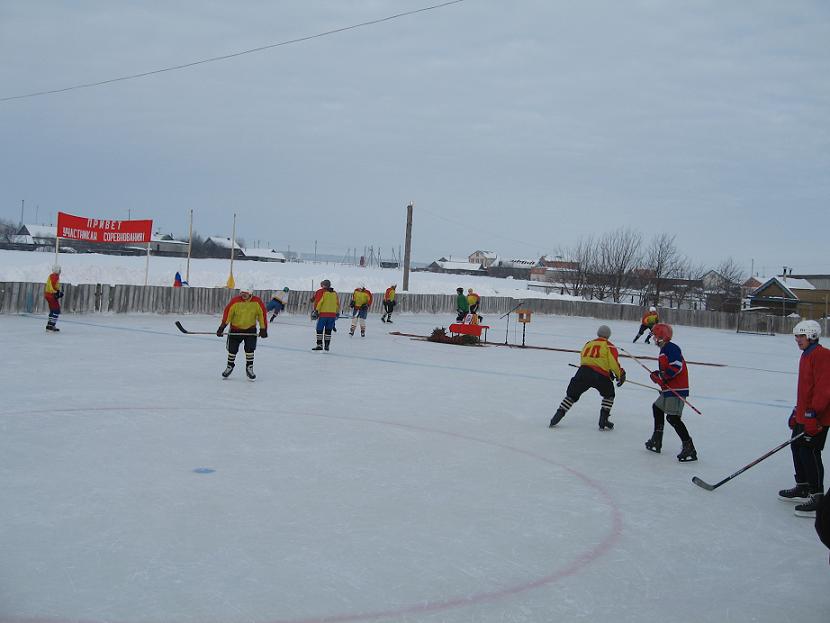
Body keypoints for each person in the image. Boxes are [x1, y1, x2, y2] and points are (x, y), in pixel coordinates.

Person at [778, 319, 830, 517]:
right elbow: (806, 389)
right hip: (805, 414)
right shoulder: (806, 355)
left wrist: (811, 414)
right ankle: (803, 486)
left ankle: (818, 496)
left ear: (812, 336)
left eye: (801, 336)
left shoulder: (822, 355)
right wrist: (797, 410)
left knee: (810, 452)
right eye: (796, 336)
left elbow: (824, 389)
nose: (797, 340)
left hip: (818, 417)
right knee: (796, 448)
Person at [549, 325, 626, 430]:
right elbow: (613, 363)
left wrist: (606, 371)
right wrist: (620, 374)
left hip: (583, 372)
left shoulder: (588, 344)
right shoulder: (609, 346)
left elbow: (585, 358)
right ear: (608, 335)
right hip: (600, 375)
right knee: (609, 395)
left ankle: (557, 416)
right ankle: (603, 420)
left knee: (572, 395)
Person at [645, 323, 697, 461]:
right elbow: (667, 372)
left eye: (655, 336)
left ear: (662, 336)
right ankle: (657, 438)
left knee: (673, 418)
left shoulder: (671, 348)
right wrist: (658, 376)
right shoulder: (663, 350)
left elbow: (676, 366)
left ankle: (689, 447)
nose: (654, 339)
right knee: (657, 408)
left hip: (678, 388)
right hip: (670, 388)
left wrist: (662, 376)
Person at [216, 285, 267, 380]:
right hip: (236, 329)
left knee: (250, 349)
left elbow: (262, 315)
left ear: (250, 293)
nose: (243, 294)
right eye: (242, 292)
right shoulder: (235, 301)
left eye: (246, 293)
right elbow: (228, 315)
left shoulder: (257, 302)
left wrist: (263, 329)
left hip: (250, 329)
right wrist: (222, 327)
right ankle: (230, 366)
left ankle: (249, 367)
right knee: (232, 349)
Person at [312, 279, 340, 351]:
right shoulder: (335, 293)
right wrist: (337, 312)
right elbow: (337, 304)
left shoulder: (322, 292)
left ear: (323, 285)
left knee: (319, 329)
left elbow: (319, 302)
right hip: (332, 315)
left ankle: (319, 345)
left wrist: (316, 311)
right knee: (328, 330)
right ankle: (327, 345)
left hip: (323, 314)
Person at [44, 264, 63, 332]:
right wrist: (56, 293)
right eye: (60, 270)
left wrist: (57, 292)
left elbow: (52, 286)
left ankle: (49, 325)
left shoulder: (51, 276)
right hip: (51, 295)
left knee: (52, 310)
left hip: (48, 295)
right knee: (56, 310)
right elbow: (51, 287)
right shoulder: (55, 276)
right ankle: (51, 325)